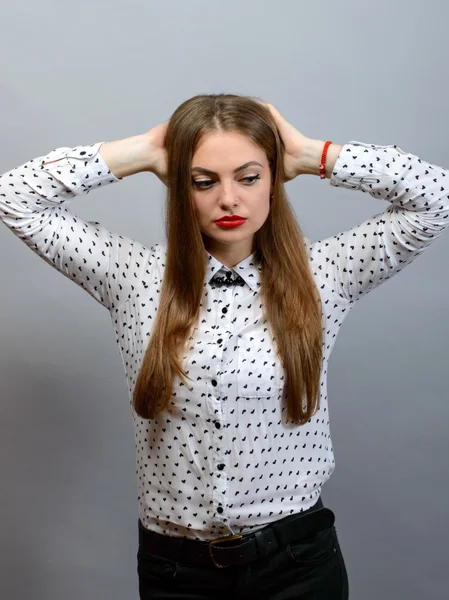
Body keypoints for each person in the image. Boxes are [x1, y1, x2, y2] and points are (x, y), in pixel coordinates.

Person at [1, 94, 448, 599]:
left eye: (249, 177)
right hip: (177, 571)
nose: (229, 199)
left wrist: (312, 154)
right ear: (179, 188)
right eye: (204, 181)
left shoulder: (325, 275)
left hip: (297, 564)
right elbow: (15, 196)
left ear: (274, 182)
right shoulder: (132, 275)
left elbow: (433, 196)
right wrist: (145, 150)